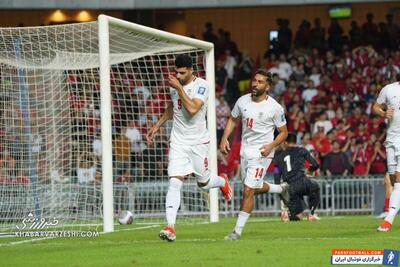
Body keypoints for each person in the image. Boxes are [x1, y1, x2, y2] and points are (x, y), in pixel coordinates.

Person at [146, 54, 232, 242]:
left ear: (191, 70)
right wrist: (157, 125)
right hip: (178, 141)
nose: (178, 75)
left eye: (182, 73)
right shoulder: (175, 85)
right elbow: (173, 107)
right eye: (176, 72)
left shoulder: (202, 85)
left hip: (199, 142)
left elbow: (193, 109)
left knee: (204, 183)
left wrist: (178, 87)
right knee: (175, 181)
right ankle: (170, 227)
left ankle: (222, 182)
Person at [220, 69, 289, 240]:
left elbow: (283, 132)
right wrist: (224, 138)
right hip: (246, 150)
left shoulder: (275, 108)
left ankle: (237, 231)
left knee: (248, 190)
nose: (255, 84)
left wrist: (271, 145)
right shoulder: (242, 101)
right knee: (252, 187)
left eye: (260, 82)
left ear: (267, 86)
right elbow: (232, 119)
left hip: (262, 152)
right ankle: (280, 188)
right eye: (254, 80)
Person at [273, 133, 321, 221]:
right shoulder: (301, 150)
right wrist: (309, 171)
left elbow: (276, 174)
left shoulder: (279, 156)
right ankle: (312, 214)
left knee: (298, 216)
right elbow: (315, 164)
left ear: (286, 143)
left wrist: (280, 190)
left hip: (290, 187)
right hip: (302, 181)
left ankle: (287, 215)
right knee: (316, 188)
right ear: (295, 141)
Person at [373, 78, 400, 231]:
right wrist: (383, 113)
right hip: (391, 139)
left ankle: (389, 219)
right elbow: (375, 106)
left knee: (398, 178)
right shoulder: (389, 89)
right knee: (391, 177)